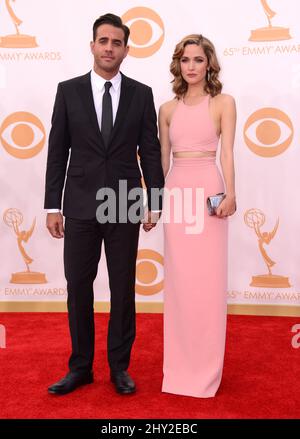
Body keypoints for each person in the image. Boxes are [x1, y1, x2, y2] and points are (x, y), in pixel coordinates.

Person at [44, 13, 164, 395]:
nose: (109, 48)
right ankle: (80, 367)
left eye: (116, 42)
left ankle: (119, 367)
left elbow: (150, 150)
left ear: (126, 49)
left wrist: (154, 200)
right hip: (78, 203)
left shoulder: (141, 94)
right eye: (103, 41)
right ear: (92, 45)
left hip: (124, 202)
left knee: (123, 288)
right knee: (78, 287)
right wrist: (52, 206)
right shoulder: (68, 90)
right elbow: (57, 151)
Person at [159, 34, 236, 398]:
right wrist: (155, 201)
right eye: (186, 60)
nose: (191, 66)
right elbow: (161, 160)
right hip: (176, 193)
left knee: (206, 283)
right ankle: (177, 370)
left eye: (198, 60)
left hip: (208, 190)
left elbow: (227, 154)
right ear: (179, 65)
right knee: (178, 283)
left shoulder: (223, 103)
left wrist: (231, 193)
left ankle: (206, 370)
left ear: (209, 65)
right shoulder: (167, 109)